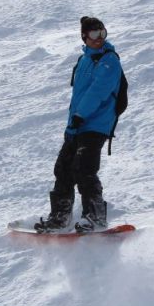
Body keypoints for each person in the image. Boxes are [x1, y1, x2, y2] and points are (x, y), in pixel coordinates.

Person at [35, 17, 123, 233]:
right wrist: (72, 123)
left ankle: (95, 217)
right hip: (77, 125)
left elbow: (99, 91)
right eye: (94, 35)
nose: (99, 39)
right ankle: (60, 217)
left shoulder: (109, 60)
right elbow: (78, 95)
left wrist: (81, 115)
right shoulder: (84, 60)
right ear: (84, 36)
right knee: (63, 169)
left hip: (96, 124)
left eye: (102, 33)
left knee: (84, 169)